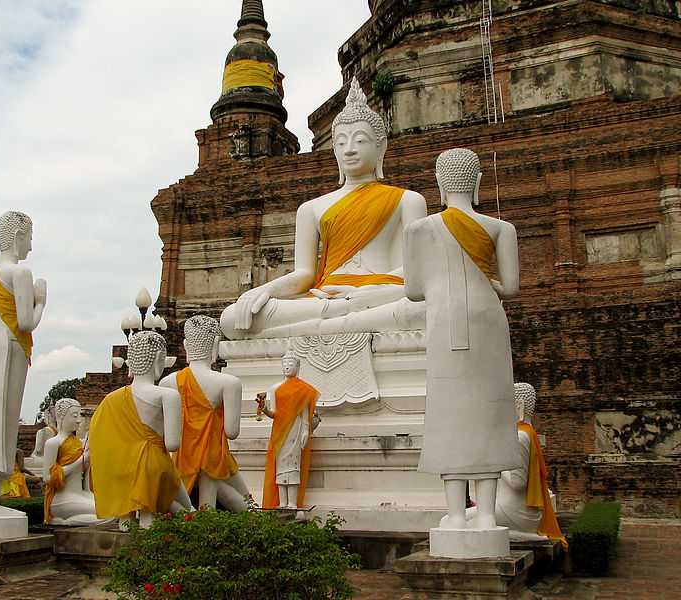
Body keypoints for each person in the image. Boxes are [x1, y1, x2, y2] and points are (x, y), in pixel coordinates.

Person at [220, 77, 427, 340]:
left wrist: (364, 292)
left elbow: (415, 273)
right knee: (232, 318)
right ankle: (342, 316)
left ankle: (333, 319)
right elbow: (305, 274)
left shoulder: (407, 200)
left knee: (424, 307)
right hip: (323, 299)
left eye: (360, 140)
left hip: (377, 295)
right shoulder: (311, 208)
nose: (349, 150)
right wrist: (264, 291)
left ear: (381, 146)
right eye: (341, 142)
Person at [403, 147, 520, 530]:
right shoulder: (501, 228)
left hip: (444, 320)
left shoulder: (419, 229)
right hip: (488, 321)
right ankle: (486, 515)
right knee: (488, 414)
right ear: (478, 182)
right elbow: (512, 287)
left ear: (438, 184)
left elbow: (413, 290)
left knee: (449, 415)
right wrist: (482, 280)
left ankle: (455, 515)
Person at [0, 211, 46, 518]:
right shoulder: (20, 273)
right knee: (3, 419)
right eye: (29, 236)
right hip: (10, 345)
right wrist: (40, 302)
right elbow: (26, 323)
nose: (31, 243)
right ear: (17, 237)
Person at [90, 331, 192, 529]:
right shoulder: (166, 395)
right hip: (154, 466)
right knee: (183, 509)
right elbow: (173, 444)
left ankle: (124, 531)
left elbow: (99, 437)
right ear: (158, 361)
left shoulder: (112, 399)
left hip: (121, 467)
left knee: (126, 522)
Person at [160, 316, 251, 510]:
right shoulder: (228, 383)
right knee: (250, 506)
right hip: (214, 459)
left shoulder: (166, 383)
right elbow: (231, 432)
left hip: (180, 462)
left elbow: (168, 437)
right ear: (216, 345)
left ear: (185, 346)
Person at [467, 383, 567, 546]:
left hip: (517, 513)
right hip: (516, 509)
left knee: (454, 523)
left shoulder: (520, 437)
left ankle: (519, 534)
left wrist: (495, 461)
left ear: (519, 405)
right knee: (459, 520)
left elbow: (517, 483)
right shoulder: (528, 432)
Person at [260, 353, 320, 510]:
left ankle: (292, 502)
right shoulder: (276, 389)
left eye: (291, 364)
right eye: (284, 363)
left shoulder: (303, 389)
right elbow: (274, 413)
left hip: (296, 429)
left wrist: (306, 430)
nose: (287, 366)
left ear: (298, 367)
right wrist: (264, 409)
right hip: (280, 431)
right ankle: (282, 502)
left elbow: (304, 413)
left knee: (293, 464)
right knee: (280, 465)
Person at [43, 398, 105, 524]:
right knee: (106, 516)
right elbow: (47, 478)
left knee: (113, 511)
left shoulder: (79, 443)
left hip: (81, 493)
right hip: (63, 498)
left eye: (80, 415)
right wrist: (82, 458)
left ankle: (66, 520)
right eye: (74, 416)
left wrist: (90, 452)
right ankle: (66, 521)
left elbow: (85, 475)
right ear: (61, 417)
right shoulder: (53, 443)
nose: (78, 420)